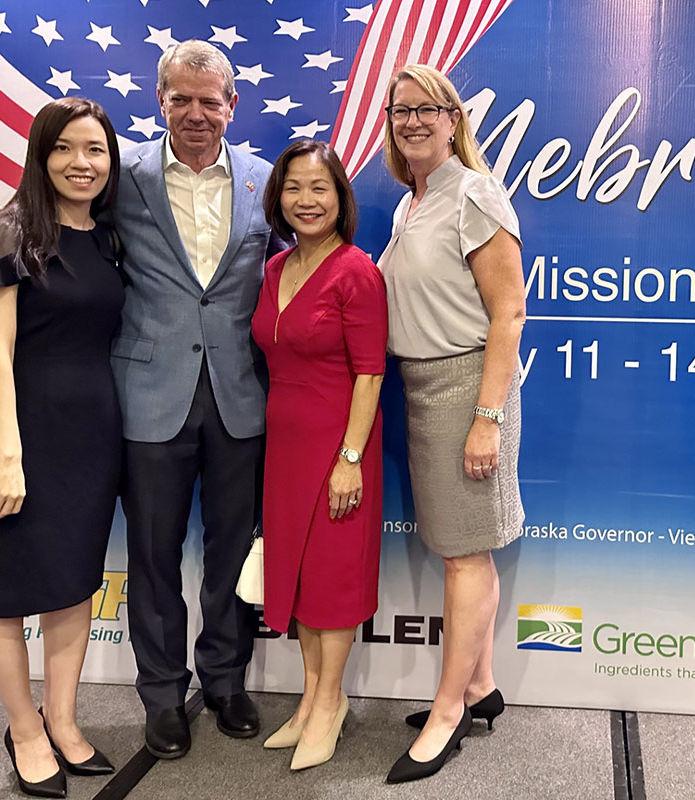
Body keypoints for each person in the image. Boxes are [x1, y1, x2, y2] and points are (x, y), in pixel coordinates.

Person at [112, 40, 281, 759]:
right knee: (152, 556)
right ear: (160, 100)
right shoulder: (121, 176)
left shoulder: (268, 182)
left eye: (209, 100)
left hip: (241, 395)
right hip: (150, 395)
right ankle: (160, 695)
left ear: (231, 105)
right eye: (180, 98)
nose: (195, 113)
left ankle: (224, 680)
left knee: (232, 551)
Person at [0, 97, 123, 798]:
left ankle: (65, 717)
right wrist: (11, 456)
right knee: (4, 592)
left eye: (96, 151)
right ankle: (24, 729)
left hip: (93, 436)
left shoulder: (109, 237)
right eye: (66, 149)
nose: (81, 164)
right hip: (21, 438)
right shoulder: (9, 234)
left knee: (73, 582)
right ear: (41, 154)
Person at [376, 64, 527, 784]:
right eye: (401, 110)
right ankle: (480, 686)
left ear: (453, 117)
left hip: (469, 388)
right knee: (464, 549)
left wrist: (487, 419)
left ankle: (446, 712)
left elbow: (509, 315)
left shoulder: (474, 192)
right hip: (422, 388)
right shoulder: (414, 202)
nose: (412, 121)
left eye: (426, 109)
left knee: (465, 554)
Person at [250, 140, 387, 771]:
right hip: (285, 447)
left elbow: (369, 373)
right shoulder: (275, 269)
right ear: (278, 197)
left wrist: (350, 457)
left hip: (339, 444)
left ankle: (331, 704)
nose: (306, 201)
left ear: (340, 198)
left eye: (320, 189)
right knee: (300, 579)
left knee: (331, 582)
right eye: (294, 188)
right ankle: (309, 701)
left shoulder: (357, 271)